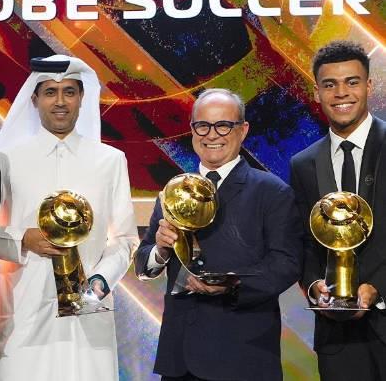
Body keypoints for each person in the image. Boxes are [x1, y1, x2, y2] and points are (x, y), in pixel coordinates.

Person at [135, 88, 302, 381]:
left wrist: (232, 286)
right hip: (180, 358)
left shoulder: (272, 191)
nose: (212, 135)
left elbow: (286, 264)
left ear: (243, 130)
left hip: (242, 357)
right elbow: (143, 263)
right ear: (192, 131)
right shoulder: (174, 190)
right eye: (203, 125)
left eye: (223, 125)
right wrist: (160, 250)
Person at [0, 55, 139, 381]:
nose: (60, 102)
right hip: (25, 315)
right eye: (50, 92)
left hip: (88, 316)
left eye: (69, 92)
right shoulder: (6, 159)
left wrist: (101, 280)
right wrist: (23, 239)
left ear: (82, 98)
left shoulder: (110, 160)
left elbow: (125, 239)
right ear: (35, 99)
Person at [289, 40, 386, 380]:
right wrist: (314, 284)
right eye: (330, 84)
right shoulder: (303, 164)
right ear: (317, 92)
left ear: (369, 86)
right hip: (338, 337)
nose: (341, 93)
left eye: (352, 82)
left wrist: (377, 287)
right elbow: (304, 242)